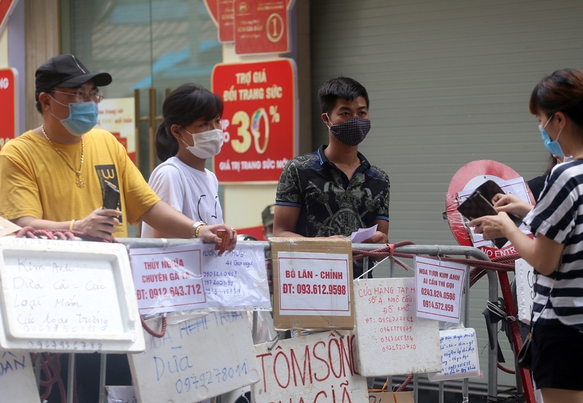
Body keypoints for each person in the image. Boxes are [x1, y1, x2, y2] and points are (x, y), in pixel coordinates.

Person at [0, 54, 236, 402]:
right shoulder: (18, 155)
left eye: (92, 94)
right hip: (55, 305)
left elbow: (149, 206)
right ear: (46, 101)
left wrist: (198, 228)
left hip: (113, 299)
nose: (88, 103)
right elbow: (24, 225)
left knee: (113, 387)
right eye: (76, 95)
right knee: (68, 390)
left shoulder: (106, 143)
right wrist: (77, 226)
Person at [470, 69, 583, 403]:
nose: (542, 128)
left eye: (541, 119)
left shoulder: (566, 174)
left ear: (559, 119)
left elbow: (543, 260)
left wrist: (506, 225)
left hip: (570, 330)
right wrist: (525, 210)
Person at [273, 76, 390, 278]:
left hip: (360, 290)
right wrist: (322, 245)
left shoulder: (379, 179)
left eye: (361, 113)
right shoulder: (298, 170)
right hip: (309, 287)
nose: (355, 120)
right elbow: (280, 234)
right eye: (345, 113)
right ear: (326, 119)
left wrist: (381, 245)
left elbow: (379, 245)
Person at [141, 83, 228, 239]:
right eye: (204, 124)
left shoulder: (211, 178)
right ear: (177, 131)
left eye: (217, 121)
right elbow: (164, 237)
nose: (214, 130)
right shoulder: (170, 173)